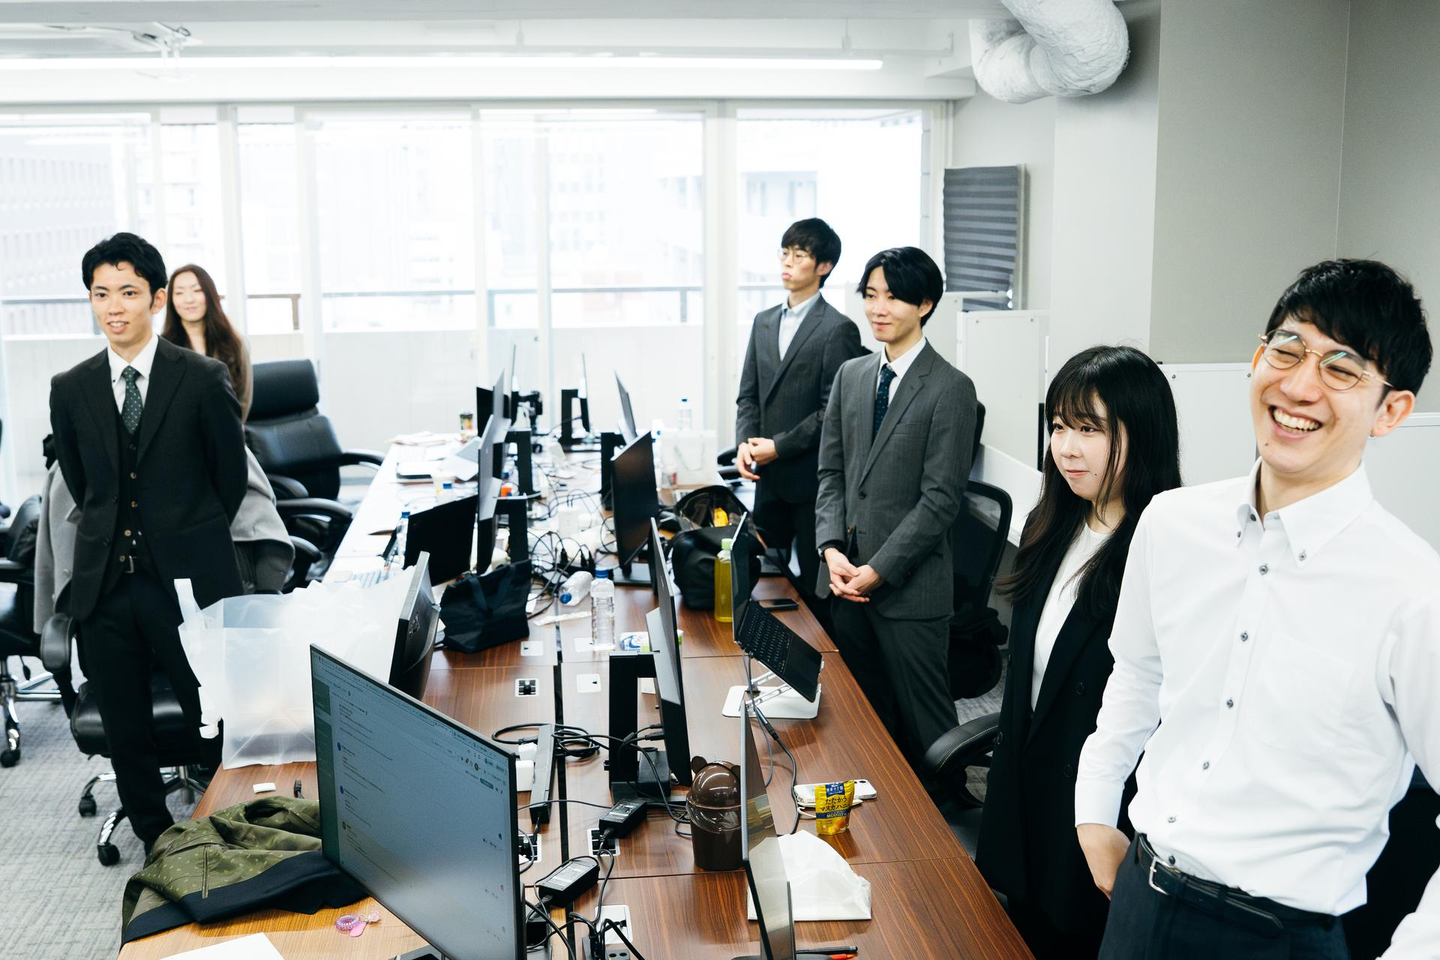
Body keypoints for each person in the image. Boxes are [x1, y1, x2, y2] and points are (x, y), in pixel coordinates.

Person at [1075, 259, 1440, 959]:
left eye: (1342, 368)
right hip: (1139, 899)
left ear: (1391, 411)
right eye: (1288, 349)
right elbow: (1138, 675)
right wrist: (1094, 808)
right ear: (1256, 358)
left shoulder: (1414, 590)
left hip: (1279, 938)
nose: (1299, 386)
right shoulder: (1171, 523)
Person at [976, 346, 1181, 959]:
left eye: (1090, 430)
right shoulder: (1056, 521)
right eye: (1059, 426)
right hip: (1024, 798)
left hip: (1098, 817)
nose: (1066, 448)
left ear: (1142, 434)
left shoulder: (1164, 548)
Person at [49, 233, 248, 849]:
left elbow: (229, 480)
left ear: (157, 299)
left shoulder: (202, 378)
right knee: (125, 728)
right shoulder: (71, 387)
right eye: (101, 293)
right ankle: (157, 841)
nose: (114, 307)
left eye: (129, 292)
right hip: (106, 587)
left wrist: (183, 532)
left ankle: (229, 829)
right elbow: (84, 485)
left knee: (211, 715)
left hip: (186, 582)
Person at [814, 246, 977, 769]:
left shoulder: (951, 388)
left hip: (909, 591)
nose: (878, 308)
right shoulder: (852, 375)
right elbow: (832, 473)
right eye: (870, 295)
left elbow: (940, 501)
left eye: (893, 297)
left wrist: (879, 570)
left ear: (925, 304)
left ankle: (946, 816)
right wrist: (831, 549)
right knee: (864, 720)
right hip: (846, 583)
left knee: (928, 729)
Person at [735, 218, 865, 627]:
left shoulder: (837, 329)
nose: (788, 263)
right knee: (761, 582)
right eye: (785, 253)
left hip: (811, 485)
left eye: (800, 255)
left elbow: (833, 412)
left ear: (823, 266)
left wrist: (779, 446)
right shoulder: (763, 321)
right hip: (768, 481)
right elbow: (748, 394)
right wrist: (745, 443)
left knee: (813, 592)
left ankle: (823, 660)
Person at [163, 263, 254, 420]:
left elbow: (243, 401)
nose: (189, 299)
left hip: (227, 429)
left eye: (197, 290)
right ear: (171, 300)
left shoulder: (236, 343)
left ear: (210, 294)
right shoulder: (162, 348)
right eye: (179, 293)